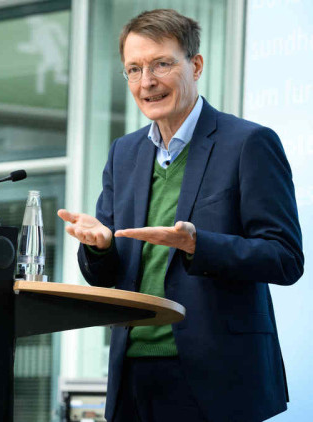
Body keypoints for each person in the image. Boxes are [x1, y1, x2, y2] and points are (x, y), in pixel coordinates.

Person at [57, 9, 303, 422]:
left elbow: (284, 258)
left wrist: (197, 245)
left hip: (216, 377)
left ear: (196, 65)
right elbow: (106, 273)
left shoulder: (249, 143)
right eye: (133, 69)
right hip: (133, 373)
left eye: (161, 64)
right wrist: (98, 248)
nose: (146, 82)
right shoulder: (124, 152)